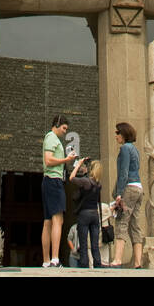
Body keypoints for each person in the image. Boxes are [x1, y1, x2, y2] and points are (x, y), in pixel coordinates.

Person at [41, 114, 76, 268]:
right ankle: (54, 259)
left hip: (50, 181)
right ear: (56, 124)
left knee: (48, 221)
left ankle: (47, 261)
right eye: (64, 128)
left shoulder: (52, 139)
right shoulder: (51, 138)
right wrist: (66, 160)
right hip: (53, 180)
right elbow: (48, 160)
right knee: (57, 220)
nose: (65, 132)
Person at [109, 121, 144, 268]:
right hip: (139, 188)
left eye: (117, 133)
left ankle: (117, 259)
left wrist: (118, 194)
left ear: (123, 134)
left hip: (128, 188)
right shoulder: (135, 150)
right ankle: (137, 262)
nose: (115, 136)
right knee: (135, 225)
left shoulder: (124, 149)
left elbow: (123, 173)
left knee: (122, 222)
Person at [71, 156, 104, 269]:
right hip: (95, 214)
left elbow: (71, 178)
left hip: (84, 214)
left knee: (83, 242)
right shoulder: (98, 185)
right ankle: (97, 264)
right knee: (95, 244)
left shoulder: (85, 182)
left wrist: (78, 165)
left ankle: (84, 265)